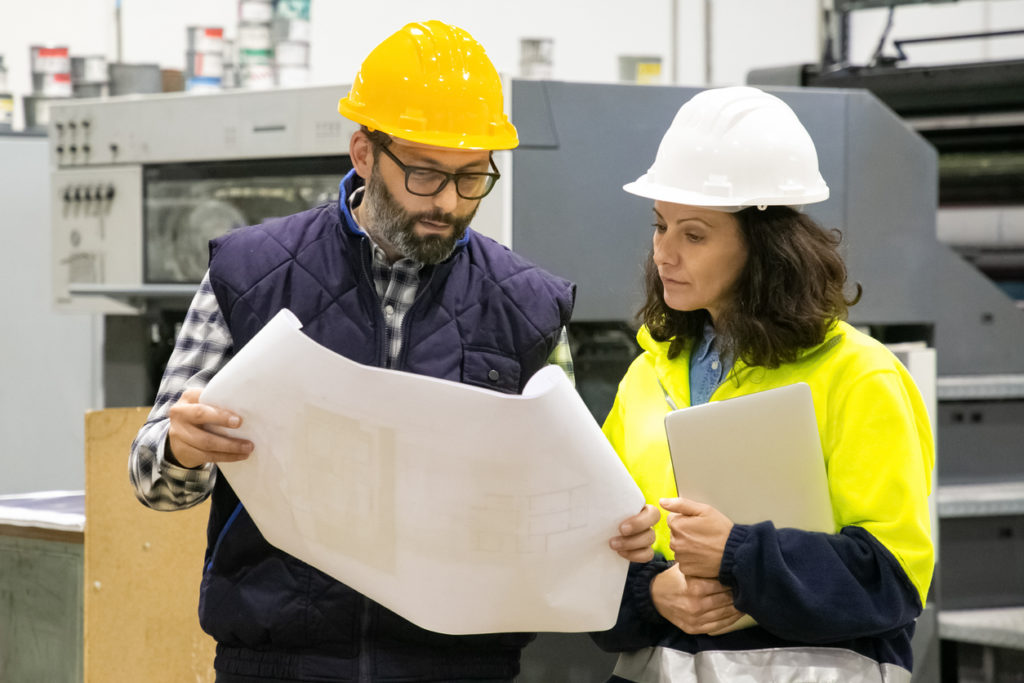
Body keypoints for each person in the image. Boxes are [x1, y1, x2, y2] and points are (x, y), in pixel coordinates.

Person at [129, 20, 659, 683]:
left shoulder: (528, 306)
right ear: (363, 153)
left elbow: (561, 493)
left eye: (472, 179)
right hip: (278, 659)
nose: (448, 203)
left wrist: (611, 534)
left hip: (459, 665)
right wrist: (181, 446)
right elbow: (154, 479)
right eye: (425, 174)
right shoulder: (250, 271)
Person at [591, 86, 935, 682]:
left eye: (693, 234)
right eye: (660, 227)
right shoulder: (646, 377)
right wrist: (655, 596)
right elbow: (590, 567)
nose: (664, 254)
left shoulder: (858, 375)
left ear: (766, 250)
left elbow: (891, 583)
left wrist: (741, 555)